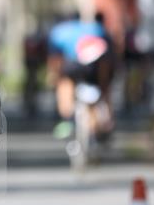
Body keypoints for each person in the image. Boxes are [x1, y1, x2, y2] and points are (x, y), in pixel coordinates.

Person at [46, 11, 116, 141]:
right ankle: (105, 122)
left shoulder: (58, 31)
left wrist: (54, 77)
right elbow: (109, 54)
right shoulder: (96, 28)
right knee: (102, 91)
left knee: (64, 83)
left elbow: (55, 60)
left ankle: (67, 118)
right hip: (96, 64)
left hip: (73, 64)